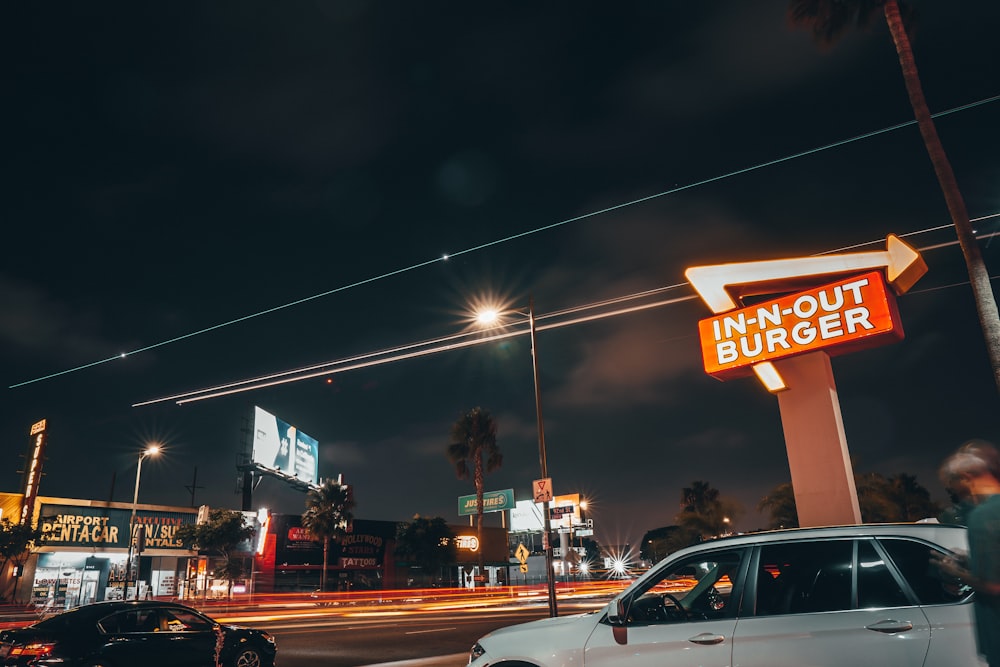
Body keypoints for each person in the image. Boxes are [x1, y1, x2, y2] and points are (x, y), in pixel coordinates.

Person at [935, 445, 1000, 667]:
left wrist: (956, 571)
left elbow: (993, 585)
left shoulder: (982, 516)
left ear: (966, 477)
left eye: (952, 487)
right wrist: (971, 559)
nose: (955, 495)